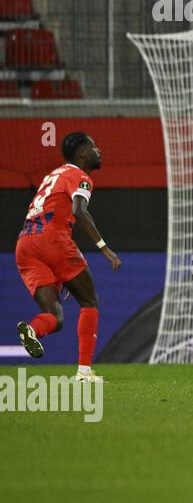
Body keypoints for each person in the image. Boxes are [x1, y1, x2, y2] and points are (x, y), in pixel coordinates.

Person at [15, 132, 120, 382]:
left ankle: (32, 329)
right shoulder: (79, 176)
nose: (98, 150)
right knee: (89, 300)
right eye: (93, 147)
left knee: (55, 316)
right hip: (52, 240)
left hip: (25, 243)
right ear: (82, 153)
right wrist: (104, 247)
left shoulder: (52, 175)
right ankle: (84, 372)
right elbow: (79, 211)